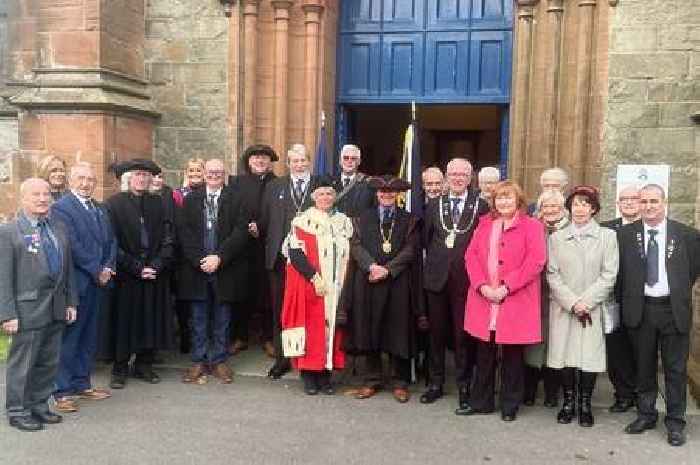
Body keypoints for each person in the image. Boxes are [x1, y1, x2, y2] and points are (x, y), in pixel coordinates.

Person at [618, 184, 700, 447]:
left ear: (664, 203)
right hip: (641, 309)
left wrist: (676, 293)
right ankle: (646, 414)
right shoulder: (625, 235)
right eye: (643, 201)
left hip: (673, 309)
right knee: (644, 367)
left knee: (675, 370)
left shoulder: (687, 235)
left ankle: (675, 423)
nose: (648, 206)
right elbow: (621, 274)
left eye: (654, 201)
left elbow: (692, 271)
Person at [457, 180, 546, 422]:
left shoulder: (533, 227)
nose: (504, 202)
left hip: (514, 299)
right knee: (484, 354)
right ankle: (481, 402)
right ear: (493, 202)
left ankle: (510, 405)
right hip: (484, 299)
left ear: (518, 200)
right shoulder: (485, 224)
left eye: (509, 197)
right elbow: (471, 256)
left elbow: (536, 261)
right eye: (499, 198)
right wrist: (482, 286)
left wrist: (507, 287)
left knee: (513, 356)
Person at [0, 178, 77, 431]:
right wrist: (7, 314)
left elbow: (68, 271)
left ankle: (39, 405)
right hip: (26, 310)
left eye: (46, 194)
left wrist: (70, 302)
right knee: (23, 364)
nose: (43, 199)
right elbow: (3, 277)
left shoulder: (58, 227)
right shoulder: (9, 232)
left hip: (56, 307)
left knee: (47, 362)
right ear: (23, 198)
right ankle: (17, 410)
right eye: (36, 194)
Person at [343, 175, 424, 403]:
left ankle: (400, 381)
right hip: (368, 280)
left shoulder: (409, 220)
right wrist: (371, 266)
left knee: (398, 330)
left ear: (397, 194)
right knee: (371, 329)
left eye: (391, 192)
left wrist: (388, 269)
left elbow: (411, 250)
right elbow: (355, 246)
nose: (386, 195)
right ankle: (372, 380)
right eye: (382, 192)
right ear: (376, 194)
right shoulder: (362, 218)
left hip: (397, 282)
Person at [546, 186, 618, 427]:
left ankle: (585, 403)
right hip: (565, 307)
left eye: (585, 204)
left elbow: (609, 274)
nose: (580, 209)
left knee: (589, 356)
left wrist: (586, 302)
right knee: (566, 356)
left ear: (594, 209)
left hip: (591, 308)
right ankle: (568, 401)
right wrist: (572, 302)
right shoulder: (556, 238)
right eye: (575, 204)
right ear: (569, 208)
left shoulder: (607, 237)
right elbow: (552, 274)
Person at [421, 158, 489, 408]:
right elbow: (427, 241)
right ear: (447, 177)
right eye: (453, 174)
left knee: (463, 336)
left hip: (467, 281)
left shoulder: (481, 206)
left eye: (463, 174)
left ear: (470, 178)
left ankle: (463, 385)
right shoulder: (433, 205)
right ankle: (435, 383)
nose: (458, 178)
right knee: (436, 335)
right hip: (437, 279)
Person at [50, 163, 117, 413]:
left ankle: (81, 383)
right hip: (77, 283)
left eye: (90, 179)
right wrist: (96, 269)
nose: (86, 183)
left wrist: (108, 267)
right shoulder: (61, 208)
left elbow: (112, 240)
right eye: (81, 178)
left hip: (100, 283)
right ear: (70, 180)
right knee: (70, 338)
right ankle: (61, 390)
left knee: (89, 336)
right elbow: (72, 245)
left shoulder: (99, 207)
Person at [104, 159, 175, 389]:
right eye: (138, 175)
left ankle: (144, 364)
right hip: (127, 274)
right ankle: (120, 367)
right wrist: (135, 267)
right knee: (125, 321)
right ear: (128, 178)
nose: (142, 179)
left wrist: (156, 264)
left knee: (150, 319)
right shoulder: (113, 204)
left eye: (146, 175)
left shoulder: (160, 203)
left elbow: (168, 237)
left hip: (154, 272)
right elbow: (111, 242)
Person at [178, 159, 249, 384]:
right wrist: (201, 260)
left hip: (224, 267)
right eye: (210, 172)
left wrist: (220, 257)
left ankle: (219, 360)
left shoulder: (236, 199)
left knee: (222, 318)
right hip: (197, 268)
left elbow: (240, 232)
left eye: (218, 172)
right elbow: (184, 233)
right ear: (204, 174)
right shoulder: (191, 200)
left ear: (224, 174)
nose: (214, 175)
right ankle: (199, 360)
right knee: (198, 317)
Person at [280, 177, 353, 395]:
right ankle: (309, 376)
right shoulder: (303, 221)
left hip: (336, 286)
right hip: (311, 285)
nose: (325, 198)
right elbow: (295, 253)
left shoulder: (343, 221)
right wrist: (314, 277)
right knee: (312, 330)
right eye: (321, 194)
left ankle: (325, 376)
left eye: (329, 193)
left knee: (332, 331)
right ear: (313, 197)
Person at [260, 144, 318, 379]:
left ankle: (307, 360)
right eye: (294, 161)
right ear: (288, 163)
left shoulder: (320, 185)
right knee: (281, 311)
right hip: (279, 260)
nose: (298, 164)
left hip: (309, 262)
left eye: (303, 160)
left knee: (309, 311)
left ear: (309, 161)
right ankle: (282, 359)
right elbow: (265, 220)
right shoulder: (274, 187)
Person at [228, 145, 278, 358]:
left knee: (268, 294)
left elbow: (279, 214)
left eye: (264, 157)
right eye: (256, 157)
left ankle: (268, 338)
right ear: (248, 161)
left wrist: (262, 227)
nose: (260, 160)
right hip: (242, 246)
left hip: (267, 246)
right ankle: (240, 337)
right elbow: (230, 210)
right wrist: (246, 226)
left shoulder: (278, 183)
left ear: (270, 161)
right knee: (241, 292)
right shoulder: (236, 183)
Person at [523, 190, 569, 407]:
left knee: (556, 344)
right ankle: (529, 390)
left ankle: (552, 392)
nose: (550, 210)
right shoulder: (531, 228)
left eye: (555, 207)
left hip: (562, 296)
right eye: (545, 206)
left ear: (563, 209)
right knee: (533, 344)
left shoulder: (571, 229)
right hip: (535, 294)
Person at [600, 184, 641, 413]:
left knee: (642, 351)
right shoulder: (606, 229)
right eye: (624, 199)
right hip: (612, 300)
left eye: (633, 198)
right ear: (618, 204)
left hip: (643, 302)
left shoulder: (651, 228)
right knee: (616, 350)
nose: (628, 202)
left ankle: (642, 394)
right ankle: (623, 395)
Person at [172, 158, 205, 354]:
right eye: (190, 170)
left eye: (198, 170)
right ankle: (186, 338)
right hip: (182, 255)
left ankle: (201, 338)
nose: (194, 174)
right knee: (184, 299)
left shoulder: (211, 192)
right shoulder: (177, 194)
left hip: (204, 253)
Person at [333, 144, 375, 217]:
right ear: (340, 161)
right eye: (346, 158)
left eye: (353, 158)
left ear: (359, 162)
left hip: (358, 227)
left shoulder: (369, 183)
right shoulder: (329, 181)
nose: (349, 161)